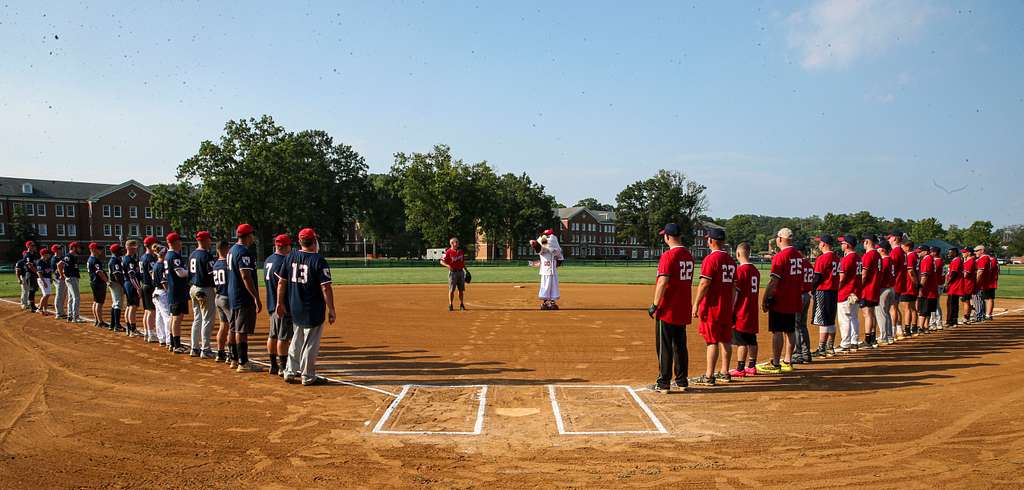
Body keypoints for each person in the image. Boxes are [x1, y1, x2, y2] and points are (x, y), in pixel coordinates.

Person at [276, 228, 336, 386]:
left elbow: (281, 282)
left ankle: (289, 371)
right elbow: (326, 287)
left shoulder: (290, 257)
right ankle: (307, 376)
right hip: (313, 308)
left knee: (297, 339)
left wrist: (279, 303)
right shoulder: (318, 260)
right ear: (314, 241)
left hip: (295, 306)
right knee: (310, 342)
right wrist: (331, 309)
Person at [646, 223, 694, 393]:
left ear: (667, 237)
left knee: (665, 346)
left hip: (668, 308)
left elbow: (663, 281)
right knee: (680, 345)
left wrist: (654, 305)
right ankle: (681, 380)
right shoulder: (688, 255)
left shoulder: (668, 255)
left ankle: (664, 382)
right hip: (683, 306)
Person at [690, 227, 735, 386]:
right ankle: (725, 372)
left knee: (712, 341)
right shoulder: (730, 260)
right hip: (726, 306)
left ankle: (709, 376)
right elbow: (734, 287)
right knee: (726, 340)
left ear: (711, 241)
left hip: (713, 307)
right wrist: (732, 306)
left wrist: (696, 303)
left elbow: (704, 283)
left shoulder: (711, 259)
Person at [757, 228, 803, 374]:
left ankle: (776, 362)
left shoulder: (780, 256)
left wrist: (765, 299)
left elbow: (773, 282)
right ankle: (788, 361)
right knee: (790, 331)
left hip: (781, 299)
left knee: (777, 331)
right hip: (794, 297)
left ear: (781, 239)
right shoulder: (798, 255)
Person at [227, 224, 262, 371]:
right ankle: (243, 362)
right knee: (241, 330)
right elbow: (246, 276)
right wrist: (256, 297)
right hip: (242, 295)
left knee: (234, 328)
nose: (253, 237)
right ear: (248, 235)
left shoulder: (232, 250)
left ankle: (234, 359)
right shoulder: (244, 252)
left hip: (233, 294)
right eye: (252, 234)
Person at [728, 242, 760, 379]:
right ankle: (752, 366)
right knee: (752, 340)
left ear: (738, 254)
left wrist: (730, 310)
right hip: (752, 310)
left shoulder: (740, 271)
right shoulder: (756, 271)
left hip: (741, 311)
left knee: (741, 341)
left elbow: (735, 294)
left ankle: (740, 368)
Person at [264, 234, 294, 376]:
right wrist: (281, 303)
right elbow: (283, 284)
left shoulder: (268, 260)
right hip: (282, 304)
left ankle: (273, 365)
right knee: (283, 337)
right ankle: (282, 367)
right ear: (287, 246)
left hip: (271, 303)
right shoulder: (285, 261)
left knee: (273, 335)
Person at [188, 231, 217, 358]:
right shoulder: (206, 255)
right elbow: (211, 275)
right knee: (207, 319)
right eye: (209, 239)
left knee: (197, 318)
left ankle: (194, 348)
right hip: (204, 289)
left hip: (193, 288)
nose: (210, 242)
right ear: (205, 240)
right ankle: (205, 349)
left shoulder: (192, 254)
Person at [810, 235, 839, 358]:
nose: (819, 245)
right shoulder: (837, 258)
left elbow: (817, 278)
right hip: (834, 291)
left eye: (820, 242)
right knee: (831, 320)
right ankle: (830, 347)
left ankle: (822, 348)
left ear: (824, 244)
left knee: (823, 321)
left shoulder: (822, 258)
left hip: (823, 291)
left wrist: (811, 289)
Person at [164, 233, 190, 354]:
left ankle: (172, 343)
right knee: (176, 318)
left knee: (174, 318)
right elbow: (180, 273)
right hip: (177, 291)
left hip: (173, 290)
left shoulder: (168, 255)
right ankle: (176, 344)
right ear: (174, 242)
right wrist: (192, 272)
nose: (181, 243)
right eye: (179, 241)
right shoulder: (174, 255)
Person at [835, 234, 861, 353]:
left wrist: (837, 289)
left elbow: (842, 278)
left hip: (846, 293)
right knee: (854, 318)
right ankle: (854, 342)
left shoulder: (847, 259)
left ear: (848, 245)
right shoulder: (858, 258)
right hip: (855, 292)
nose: (841, 245)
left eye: (843, 243)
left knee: (844, 319)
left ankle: (845, 343)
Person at [791, 244, 815, 364]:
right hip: (807, 295)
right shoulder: (809, 264)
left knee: (795, 326)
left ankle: (797, 354)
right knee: (802, 325)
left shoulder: (798, 264)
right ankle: (806, 353)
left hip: (798, 295)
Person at [859, 234, 882, 349]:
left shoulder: (868, 255)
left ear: (868, 242)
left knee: (867, 314)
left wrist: (858, 287)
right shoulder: (878, 254)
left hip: (867, 289)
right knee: (871, 314)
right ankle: (873, 338)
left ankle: (868, 340)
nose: (863, 244)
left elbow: (864, 274)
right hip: (875, 288)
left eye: (864, 241)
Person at [212, 240, 232, 363]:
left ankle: (220, 353)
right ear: (225, 249)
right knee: (233, 327)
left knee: (223, 325)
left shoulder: (215, 264)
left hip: (218, 296)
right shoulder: (227, 265)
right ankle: (231, 354)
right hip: (227, 297)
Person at [533, 231, 563, 310]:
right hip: (545, 270)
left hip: (553, 270)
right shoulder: (543, 246)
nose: (548, 237)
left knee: (553, 286)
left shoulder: (555, 247)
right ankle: (545, 302)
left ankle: (552, 302)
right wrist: (535, 244)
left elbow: (559, 255)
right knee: (545, 286)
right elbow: (540, 249)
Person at [875, 242, 897, 344]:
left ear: (883, 250)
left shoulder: (884, 260)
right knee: (887, 313)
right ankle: (889, 335)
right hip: (892, 288)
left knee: (882, 314)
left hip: (884, 289)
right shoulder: (891, 260)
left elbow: (881, 275)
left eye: (878, 249)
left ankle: (884, 337)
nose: (877, 250)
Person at [886, 232, 907, 338]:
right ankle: (899, 329)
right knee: (895, 307)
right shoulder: (902, 251)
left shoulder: (895, 251)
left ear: (894, 239)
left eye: (890, 238)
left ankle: (893, 331)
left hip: (896, 282)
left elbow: (891, 268)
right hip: (901, 281)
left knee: (892, 308)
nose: (888, 240)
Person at [139, 237, 159, 342]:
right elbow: (152, 273)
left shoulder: (142, 257)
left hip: (144, 284)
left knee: (147, 310)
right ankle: (151, 333)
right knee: (151, 311)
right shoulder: (150, 258)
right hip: (149, 285)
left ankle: (147, 332)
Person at [59, 242, 84, 323]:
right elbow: (59, 264)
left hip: (72, 278)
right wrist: (62, 275)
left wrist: (63, 275)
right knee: (76, 297)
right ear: (73, 248)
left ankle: (70, 316)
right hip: (71, 278)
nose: (79, 249)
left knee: (71, 298)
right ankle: (75, 317)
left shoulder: (72, 256)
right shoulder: (69, 256)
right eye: (78, 247)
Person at [916, 246, 939, 334]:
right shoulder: (931, 258)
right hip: (932, 288)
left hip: (927, 289)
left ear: (925, 252)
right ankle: (926, 327)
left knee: (923, 309)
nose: (918, 253)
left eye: (920, 251)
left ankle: (921, 327)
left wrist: (921, 288)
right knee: (928, 309)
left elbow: (924, 275)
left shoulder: (926, 259)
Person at [121, 240, 142, 337]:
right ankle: (132, 329)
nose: (136, 248)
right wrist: (138, 288)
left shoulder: (125, 258)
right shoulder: (129, 259)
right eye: (134, 247)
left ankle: (129, 328)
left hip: (127, 283)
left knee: (129, 306)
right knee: (133, 307)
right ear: (129, 247)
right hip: (131, 284)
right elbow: (132, 275)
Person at [440, 237, 467, 311]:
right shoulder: (447, 252)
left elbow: (462, 262)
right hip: (453, 273)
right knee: (451, 290)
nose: (458, 243)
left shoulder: (461, 251)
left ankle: (461, 304)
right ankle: (450, 304)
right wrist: (448, 265)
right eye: (456, 242)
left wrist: (466, 271)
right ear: (452, 243)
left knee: (461, 290)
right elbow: (441, 261)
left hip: (461, 272)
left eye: (458, 242)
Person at [900, 240, 920, 336]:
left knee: (907, 308)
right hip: (912, 285)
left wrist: (915, 282)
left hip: (908, 285)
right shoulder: (916, 255)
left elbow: (910, 270)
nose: (902, 248)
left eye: (903, 246)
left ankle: (907, 329)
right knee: (912, 307)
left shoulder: (910, 255)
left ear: (907, 247)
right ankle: (914, 327)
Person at [86, 242, 109, 328]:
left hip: (94, 282)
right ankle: (100, 321)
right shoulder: (95, 260)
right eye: (97, 249)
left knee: (96, 301)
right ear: (92, 250)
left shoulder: (90, 259)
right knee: (99, 302)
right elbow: (99, 272)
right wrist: (107, 281)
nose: (100, 250)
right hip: (98, 282)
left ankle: (97, 320)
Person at [152, 246, 171, 347]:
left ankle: (162, 338)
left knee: (159, 316)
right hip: (162, 292)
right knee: (167, 317)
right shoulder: (162, 265)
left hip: (156, 291)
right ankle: (169, 340)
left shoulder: (155, 265)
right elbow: (164, 281)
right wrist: (169, 292)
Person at [107, 243, 126, 333]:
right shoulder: (114, 261)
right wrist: (123, 284)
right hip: (116, 284)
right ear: (116, 251)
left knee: (115, 303)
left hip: (114, 283)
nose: (122, 251)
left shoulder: (115, 260)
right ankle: (117, 325)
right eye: (120, 250)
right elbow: (117, 274)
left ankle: (112, 324)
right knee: (118, 303)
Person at [975, 245, 994, 321]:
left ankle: (986, 315)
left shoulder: (984, 258)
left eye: (977, 250)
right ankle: (985, 314)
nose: (975, 252)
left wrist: (976, 282)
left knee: (986, 298)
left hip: (984, 282)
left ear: (982, 251)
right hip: (986, 281)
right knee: (984, 298)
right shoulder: (985, 258)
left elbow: (980, 272)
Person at [944, 248, 963, 328]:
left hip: (954, 286)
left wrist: (947, 283)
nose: (948, 254)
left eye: (950, 253)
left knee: (951, 304)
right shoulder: (956, 260)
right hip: (954, 285)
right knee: (954, 304)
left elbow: (954, 273)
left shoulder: (956, 260)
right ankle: (954, 321)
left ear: (954, 253)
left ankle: (950, 321)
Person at [960, 248, 977, 325]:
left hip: (967, 284)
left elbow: (965, 275)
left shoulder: (969, 262)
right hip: (968, 284)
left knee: (966, 301)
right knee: (966, 300)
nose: (963, 253)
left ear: (969, 253)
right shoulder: (969, 261)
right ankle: (967, 316)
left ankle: (966, 317)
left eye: (964, 252)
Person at [35, 247, 54, 316]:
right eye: (47, 254)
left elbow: (49, 271)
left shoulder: (47, 262)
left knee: (47, 295)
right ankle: (39, 309)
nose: (49, 255)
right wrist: (44, 282)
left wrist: (51, 278)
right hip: (42, 279)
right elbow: (39, 273)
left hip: (47, 279)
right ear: (44, 254)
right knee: (46, 294)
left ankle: (45, 310)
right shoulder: (40, 262)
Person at [929, 247, 945, 329]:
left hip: (937, 284)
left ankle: (936, 322)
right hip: (939, 284)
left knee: (934, 304)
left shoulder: (937, 261)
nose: (930, 253)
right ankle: (936, 322)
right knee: (935, 304)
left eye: (932, 251)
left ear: (935, 252)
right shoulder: (939, 260)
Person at [50, 244, 66, 319]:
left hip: (63, 278)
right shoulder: (54, 259)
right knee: (59, 295)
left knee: (63, 295)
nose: (61, 250)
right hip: (58, 278)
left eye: (60, 248)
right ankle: (58, 313)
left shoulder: (62, 257)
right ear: (55, 250)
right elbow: (56, 270)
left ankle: (62, 311)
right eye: (59, 249)